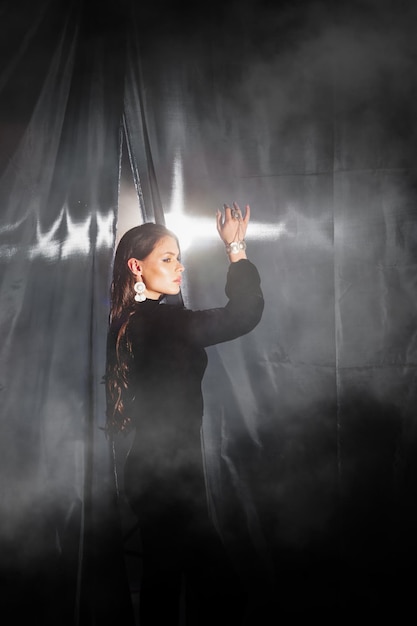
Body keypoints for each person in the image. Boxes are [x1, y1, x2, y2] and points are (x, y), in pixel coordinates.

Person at [105, 202, 264, 625]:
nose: (179, 268)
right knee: (220, 592)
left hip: (160, 473)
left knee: (163, 588)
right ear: (136, 267)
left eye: (179, 258)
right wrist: (236, 246)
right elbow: (243, 314)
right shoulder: (160, 325)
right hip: (167, 482)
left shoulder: (128, 320)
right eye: (167, 258)